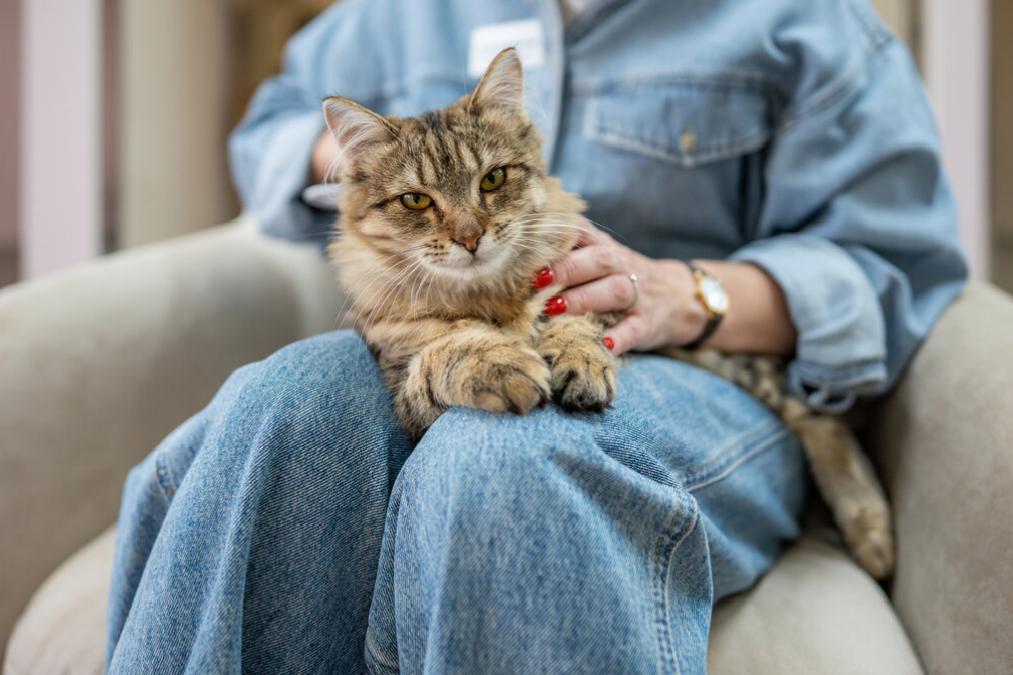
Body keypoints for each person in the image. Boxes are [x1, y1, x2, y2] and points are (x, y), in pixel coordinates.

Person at [105, 1, 967, 672]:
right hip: (438, 317)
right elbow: (273, 125)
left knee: (501, 459)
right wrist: (379, 167)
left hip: (684, 362)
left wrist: (688, 291)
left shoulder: (808, 21)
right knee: (277, 403)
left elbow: (892, 263)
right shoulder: (399, 13)